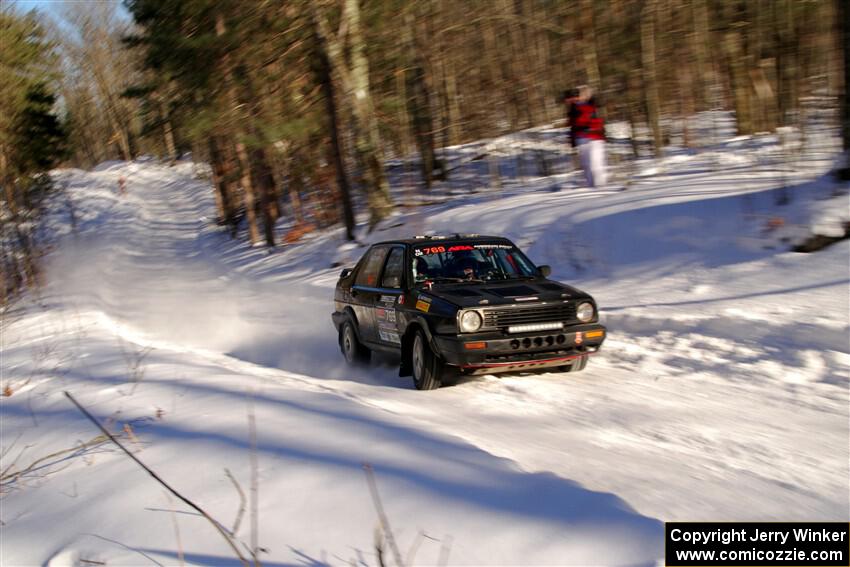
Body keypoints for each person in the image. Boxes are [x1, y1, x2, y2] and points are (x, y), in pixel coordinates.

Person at [563, 85, 608, 188]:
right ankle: (590, 187)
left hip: (595, 138)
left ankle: (601, 187)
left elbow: (595, 120)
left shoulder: (590, 105)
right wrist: (572, 139)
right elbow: (573, 125)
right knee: (587, 165)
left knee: (596, 164)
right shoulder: (573, 109)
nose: (568, 101)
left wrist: (588, 127)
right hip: (582, 138)